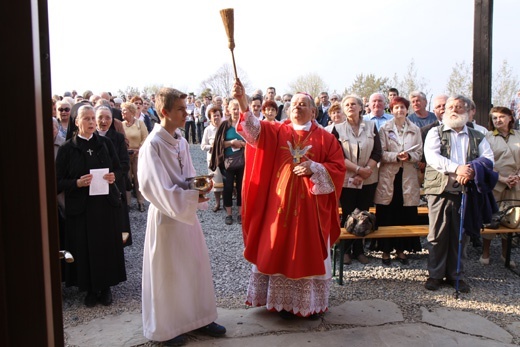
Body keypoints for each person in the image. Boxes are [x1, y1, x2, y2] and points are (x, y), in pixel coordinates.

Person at [232, 79, 346, 318]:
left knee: (307, 249)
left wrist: (315, 168)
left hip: (311, 210)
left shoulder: (326, 139)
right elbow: (253, 131)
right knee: (275, 247)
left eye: (303, 104)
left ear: (313, 111)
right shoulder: (277, 131)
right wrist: (243, 101)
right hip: (280, 206)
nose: (297, 107)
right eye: (294, 103)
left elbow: (338, 168)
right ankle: (276, 300)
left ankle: (308, 304)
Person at [138, 87, 226, 346]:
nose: (187, 113)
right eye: (180, 109)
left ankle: (200, 317)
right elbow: (153, 187)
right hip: (166, 217)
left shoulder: (182, 141)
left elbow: (187, 176)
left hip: (186, 215)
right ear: (164, 111)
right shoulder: (152, 145)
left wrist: (199, 187)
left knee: (194, 265)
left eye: (186, 109)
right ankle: (167, 328)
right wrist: (188, 198)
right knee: (169, 272)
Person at [56, 105, 126, 307]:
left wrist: (114, 176)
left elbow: (120, 167)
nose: (91, 122)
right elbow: (57, 181)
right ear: (76, 122)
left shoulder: (105, 143)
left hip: (105, 205)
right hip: (81, 207)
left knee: (105, 245)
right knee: (84, 247)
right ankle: (88, 289)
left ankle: (106, 288)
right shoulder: (68, 148)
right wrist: (76, 183)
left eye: (92, 119)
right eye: (86, 118)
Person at [423, 95, 495, 293]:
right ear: (444, 111)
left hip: (466, 191)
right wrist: (457, 169)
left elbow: (488, 158)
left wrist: (470, 170)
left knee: (461, 236)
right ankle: (435, 275)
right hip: (440, 190)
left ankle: (457, 275)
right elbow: (432, 157)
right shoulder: (435, 133)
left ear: (467, 111)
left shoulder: (477, 135)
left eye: (459, 107)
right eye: (450, 107)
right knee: (437, 235)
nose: (454, 110)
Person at [330, 95, 380, 265]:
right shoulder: (337, 129)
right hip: (347, 179)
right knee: (349, 213)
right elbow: (338, 155)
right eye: (347, 105)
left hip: (368, 179)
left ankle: (359, 250)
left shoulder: (371, 126)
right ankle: (345, 250)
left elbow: (377, 152)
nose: (350, 107)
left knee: (364, 214)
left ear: (360, 107)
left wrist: (366, 172)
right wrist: (358, 170)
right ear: (343, 109)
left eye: (354, 104)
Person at [374, 96, 423, 265]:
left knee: (404, 213)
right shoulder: (384, 129)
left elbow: (419, 153)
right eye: (396, 108)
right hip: (389, 176)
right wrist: (396, 156)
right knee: (388, 213)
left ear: (407, 110)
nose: (399, 110)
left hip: (408, 176)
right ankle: (386, 251)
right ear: (391, 110)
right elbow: (380, 152)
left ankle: (401, 250)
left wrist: (409, 156)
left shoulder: (415, 129)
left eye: (402, 107)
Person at [482, 107, 518, 267]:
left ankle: (506, 254)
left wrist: (516, 177)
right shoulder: (488, 137)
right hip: (495, 181)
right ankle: (485, 252)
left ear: (510, 118)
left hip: (516, 183)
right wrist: (502, 178)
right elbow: (485, 161)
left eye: (502, 117)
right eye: (495, 118)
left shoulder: (518, 135)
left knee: (512, 219)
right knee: (490, 218)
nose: (498, 120)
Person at [96, 105, 132, 246]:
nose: (104, 121)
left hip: (116, 184)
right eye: (100, 117)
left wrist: (114, 175)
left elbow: (125, 163)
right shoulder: (91, 137)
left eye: (108, 118)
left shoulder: (117, 137)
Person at [209, 99, 246, 225]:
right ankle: (229, 214)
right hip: (228, 162)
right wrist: (231, 143)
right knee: (228, 187)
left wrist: (243, 144)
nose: (236, 111)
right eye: (233, 109)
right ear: (229, 110)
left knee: (241, 187)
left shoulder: (245, 124)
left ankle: (240, 213)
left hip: (244, 162)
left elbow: (253, 141)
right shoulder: (224, 125)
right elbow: (219, 144)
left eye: (238, 108)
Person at [121, 101, 149, 212]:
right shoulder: (121, 125)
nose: (122, 112)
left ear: (131, 112)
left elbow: (146, 137)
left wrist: (139, 149)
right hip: (125, 155)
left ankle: (140, 202)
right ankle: (127, 204)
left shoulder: (140, 123)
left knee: (138, 179)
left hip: (138, 155)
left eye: (124, 111)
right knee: (127, 179)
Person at [201, 105, 224, 212]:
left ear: (221, 116)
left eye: (218, 115)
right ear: (210, 117)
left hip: (225, 159)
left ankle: (226, 202)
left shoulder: (225, 127)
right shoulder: (208, 130)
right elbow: (202, 146)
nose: (216, 118)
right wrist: (213, 147)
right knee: (215, 182)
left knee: (226, 181)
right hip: (213, 160)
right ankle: (217, 203)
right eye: (214, 116)